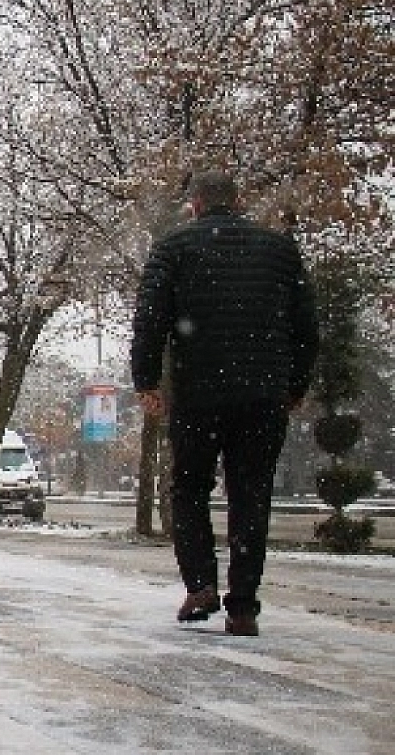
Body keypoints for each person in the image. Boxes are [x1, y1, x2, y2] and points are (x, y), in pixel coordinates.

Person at [130, 169, 318, 637]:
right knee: (251, 495)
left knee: (190, 487)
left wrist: (148, 380)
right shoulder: (280, 251)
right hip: (263, 396)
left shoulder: (174, 248)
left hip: (199, 392)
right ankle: (244, 607)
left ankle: (200, 585)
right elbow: (306, 328)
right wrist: (293, 385)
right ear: (238, 202)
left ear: (194, 205)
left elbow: (150, 319)